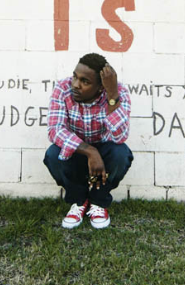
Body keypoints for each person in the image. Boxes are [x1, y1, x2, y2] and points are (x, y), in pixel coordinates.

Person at [43, 53, 133, 229]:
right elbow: (55, 130)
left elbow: (120, 136)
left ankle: (98, 202)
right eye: (75, 77)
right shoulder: (63, 88)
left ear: (100, 88)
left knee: (121, 154)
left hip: (105, 155)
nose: (76, 84)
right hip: (76, 151)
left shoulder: (118, 92)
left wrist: (112, 96)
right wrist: (90, 151)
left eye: (85, 81)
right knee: (53, 154)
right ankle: (79, 200)